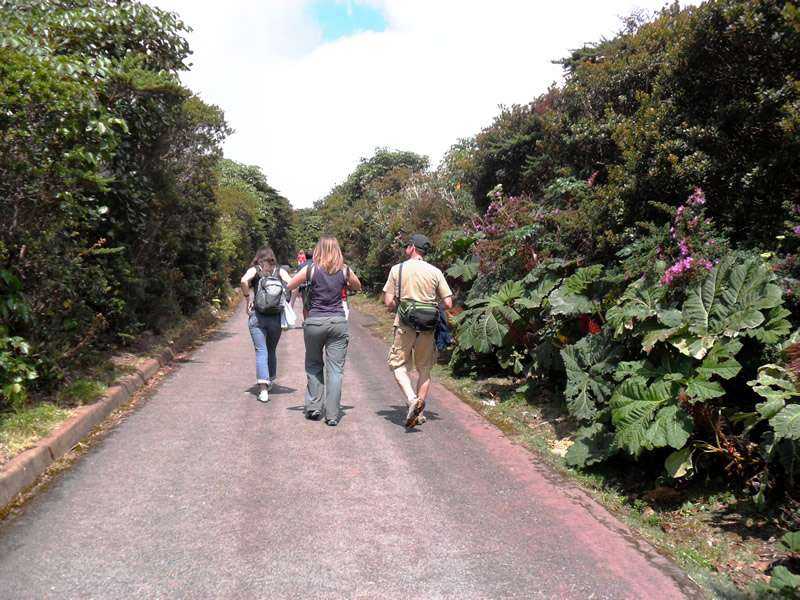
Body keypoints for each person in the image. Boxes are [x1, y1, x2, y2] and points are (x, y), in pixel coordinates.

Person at [287, 237, 361, 426]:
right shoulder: (344, 270)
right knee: (335, 370)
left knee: (313, 365)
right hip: (337, 321)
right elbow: (358, 286)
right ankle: (333, 415)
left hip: (314, 322)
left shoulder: (310, 269)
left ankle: (313, 408)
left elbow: (290, 285)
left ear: (318, 249)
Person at [383, 233, 453, 428]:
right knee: (424, 369)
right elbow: (448, 302)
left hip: (405, 325)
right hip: (428, 328)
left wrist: (400, 304)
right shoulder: (435, 271)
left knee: (397, 365)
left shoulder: (398, 269)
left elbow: (388, 302)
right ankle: (419, 413)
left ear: (412, 248)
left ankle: (412, 399)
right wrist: (430, 307)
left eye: (407, 245)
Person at [241, 246, 291, 403]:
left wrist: (247, 299)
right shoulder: (280, 270)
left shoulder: (255, 270)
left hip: (258, 316)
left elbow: (243, 280)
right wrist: (287, 302)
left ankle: (263, 390)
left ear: (258, 257)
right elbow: (292, 284)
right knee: (271, 349)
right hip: (276, 317)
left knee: (261, 351)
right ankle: (270, 380)